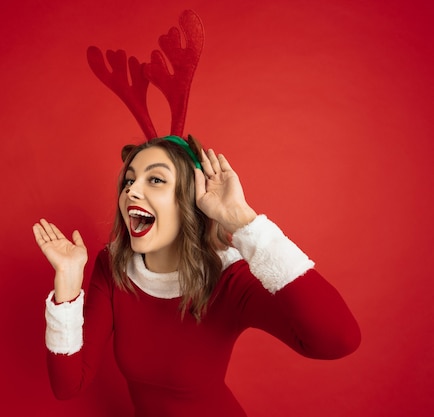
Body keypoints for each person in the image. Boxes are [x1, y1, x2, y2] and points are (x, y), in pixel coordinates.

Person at [32, 135, 360, 417]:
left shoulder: (229, 278)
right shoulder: (114, 265)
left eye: (155, 179)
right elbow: (68, 385)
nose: (131, 192)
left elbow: (338, 340)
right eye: (129, 180)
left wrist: (243, 221)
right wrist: (68, 281)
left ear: (191, 199)